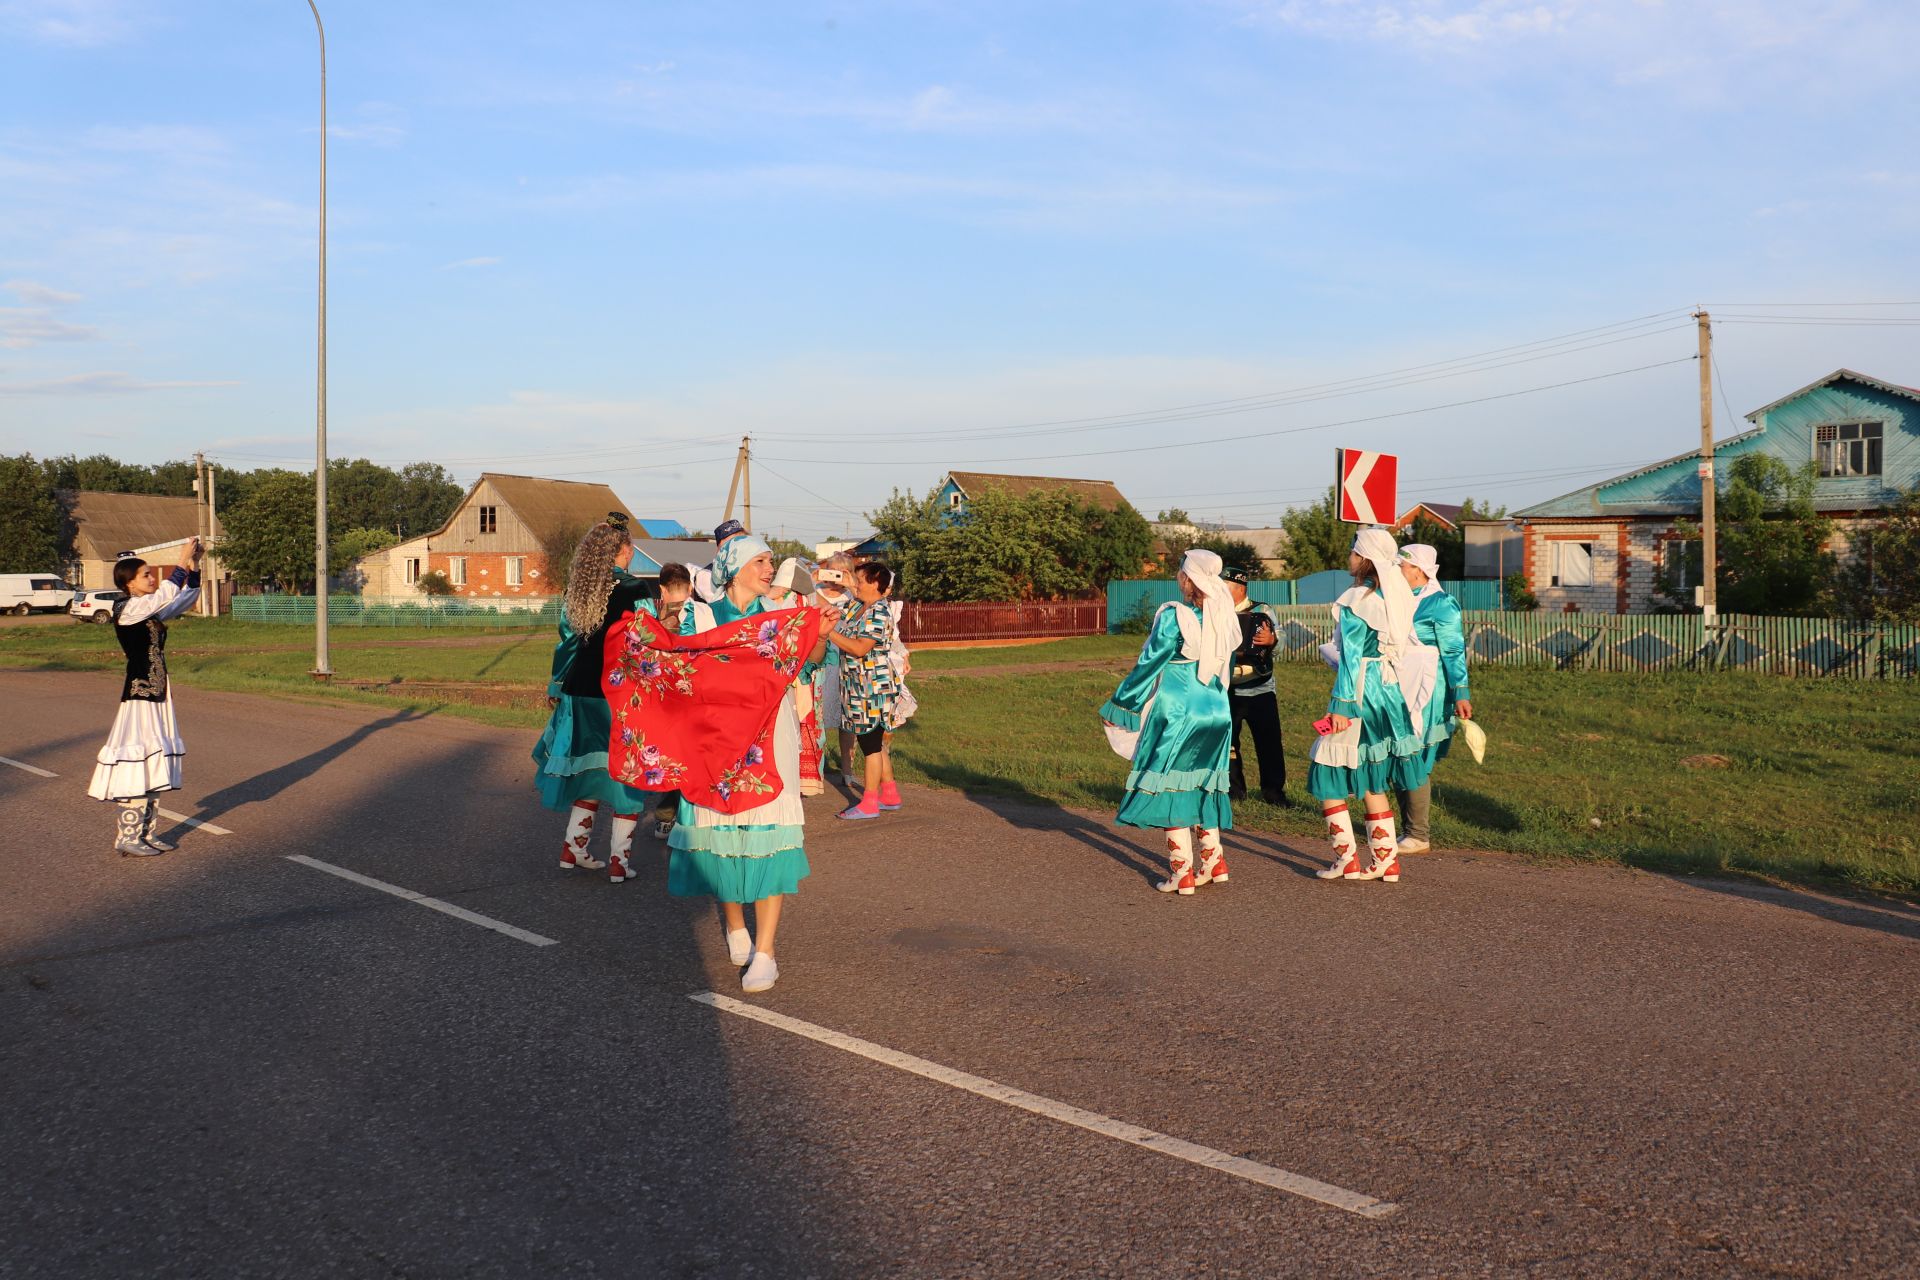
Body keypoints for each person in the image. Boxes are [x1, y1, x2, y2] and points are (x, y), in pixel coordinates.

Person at [663, 534, 832, 993]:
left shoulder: (778, 618)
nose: (768, 568)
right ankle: (735, 922)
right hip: (715, 739)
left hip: (769, 735)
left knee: (768, 833)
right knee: (720, 830)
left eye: (769, 561)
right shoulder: (698, 614)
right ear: (735, 566)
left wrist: (819, 630)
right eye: (761, 560)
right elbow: (674, 667)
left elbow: (809, 662)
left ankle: (766, 952)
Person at [1098, 548, 1238, 895]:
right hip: (1218, 708)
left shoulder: (1174, 615)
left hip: (1179, 708)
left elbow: (1150, 663)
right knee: (1202, 782)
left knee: (1169, 784)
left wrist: (1121, 703)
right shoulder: (1223, 614)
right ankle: (1213, 861)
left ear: (1187, 578)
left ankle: (1182, 872)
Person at [1307, 528, 1438, 884]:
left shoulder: (1357, 599)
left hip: (1360, 691)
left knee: (1327, 770)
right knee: (1371, 776)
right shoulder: (1395, 597)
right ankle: (1386, 861)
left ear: (1364, 558)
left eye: (1353, 551)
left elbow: (1350, 660)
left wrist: (1341, 705)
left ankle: (1346, 859)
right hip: (1388, 690)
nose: (1348, 557)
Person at [533, 515, 655, 883]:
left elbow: (567, 642)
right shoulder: (636, 591)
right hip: (619, 692)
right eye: (629, 547)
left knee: (588, 772)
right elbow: (647, 645)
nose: (632, 553)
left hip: (578, 690)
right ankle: (619, 862)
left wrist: (556, 686)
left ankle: (573, 849)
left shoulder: (582, 591)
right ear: (621, 552)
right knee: (626, 772)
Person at [88, 541, 204, 855]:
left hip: (158, 692)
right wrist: (180, 560)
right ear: (129, 583)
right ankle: (127, 837)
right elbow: (167, 593)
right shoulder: (127, 609)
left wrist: (193, 565)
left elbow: (184, 599)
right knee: (138, 761)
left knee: (154, 761)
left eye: (152, 574)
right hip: (139, 695)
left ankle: (145, 833)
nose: (152, 579)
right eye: (146, 575)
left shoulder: (148, 609)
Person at [1394, 543, 1472, 855]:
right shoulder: (1393, 598)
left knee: (1414, 754)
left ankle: (1418, 834)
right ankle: (1405, 829)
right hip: (1397, 685)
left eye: (1402, 565)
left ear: (1419, 570)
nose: (1397, 569)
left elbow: (1453, 650)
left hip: (1429, 690)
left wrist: (1461, 692)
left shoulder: (1441, 603)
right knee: (1397, 751)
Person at [824, 563, 903, 819]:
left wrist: (828, 634)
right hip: (857, 685)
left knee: (870, 745)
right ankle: (889, 794)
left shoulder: (879, 611)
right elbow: (838, 617)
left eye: (860, 580)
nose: (855, 583)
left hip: (873, 686)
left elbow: (859, 648)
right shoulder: (858, 606)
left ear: (875, 584)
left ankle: (869, 802)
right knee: (874, 741)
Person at [1221, 565, 1290, 807]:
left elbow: (1281, 641)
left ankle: (1274, 792)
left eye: (1225, 587)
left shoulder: (1262, 611)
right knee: (1229, 743)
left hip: (1260, 688)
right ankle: (1234, 791)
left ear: (1240, 588)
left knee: (1269, 742)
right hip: (1228, 688)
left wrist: (1272, 640)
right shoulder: (1216, 611)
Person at [642, 563, 694, 839]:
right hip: (692, 696)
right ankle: (687, 815)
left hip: (663, 699)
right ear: (691, 588)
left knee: (668, 758)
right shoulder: (700, 616)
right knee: (690, 758)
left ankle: (664, 816)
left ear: (661, 589)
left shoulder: (653, 623)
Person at [812, 558, 857, 788]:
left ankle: (847, 770)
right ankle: (814, 769)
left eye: (843, 573)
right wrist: (811, 580)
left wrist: (852, 585)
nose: (836, 577)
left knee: (846, 718)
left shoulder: (852, 597)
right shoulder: (812, 590)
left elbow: (867, 608)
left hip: (844, 658)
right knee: (814, 715)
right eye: (832, 572)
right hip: (818, 658)